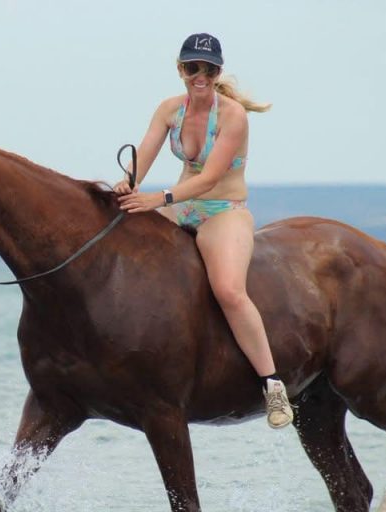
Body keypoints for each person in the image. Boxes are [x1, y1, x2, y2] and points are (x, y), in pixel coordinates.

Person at [113, 33, 293, 429]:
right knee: (116, 237)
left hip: (221, 212)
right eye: (193, 68)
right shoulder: (168, 110)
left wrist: (156, 200)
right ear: (181, 70)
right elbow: (143, 157)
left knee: (229, 290)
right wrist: (127, 184)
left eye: (208, 69)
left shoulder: (232, 116)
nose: (201, 75)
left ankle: (272, 384)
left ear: (217, 73)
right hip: (180, 207)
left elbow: (211, 179)